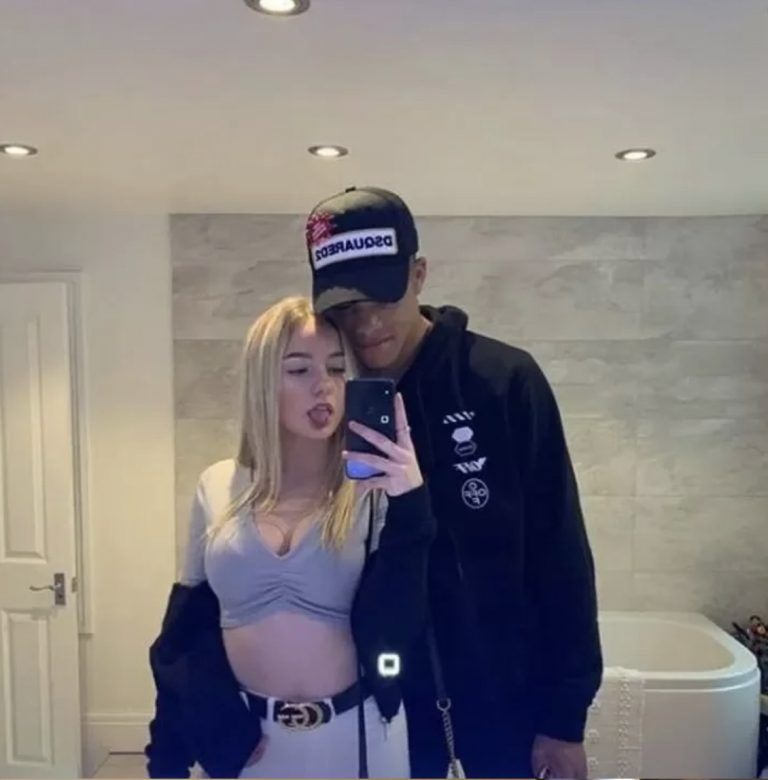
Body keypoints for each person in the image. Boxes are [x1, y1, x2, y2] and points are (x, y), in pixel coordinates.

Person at [304, 187, 604, 779]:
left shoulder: (502, 380)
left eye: (383, 297)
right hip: (384, 707)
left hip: (506, 703)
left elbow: (560, 552)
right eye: (346, 307)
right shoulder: (330, 404)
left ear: (418, 275)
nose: (365, 325)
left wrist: (564, 718)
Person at [144, 296, 436, 778]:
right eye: (299, 370)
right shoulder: (217, 485)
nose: (324, 385)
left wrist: (411, 505)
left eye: (337, 368)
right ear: (263, 382)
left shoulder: (373, 493)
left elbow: (403, 623)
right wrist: (167, 759)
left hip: (359, 735)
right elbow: (183, 633)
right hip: (245, 739)